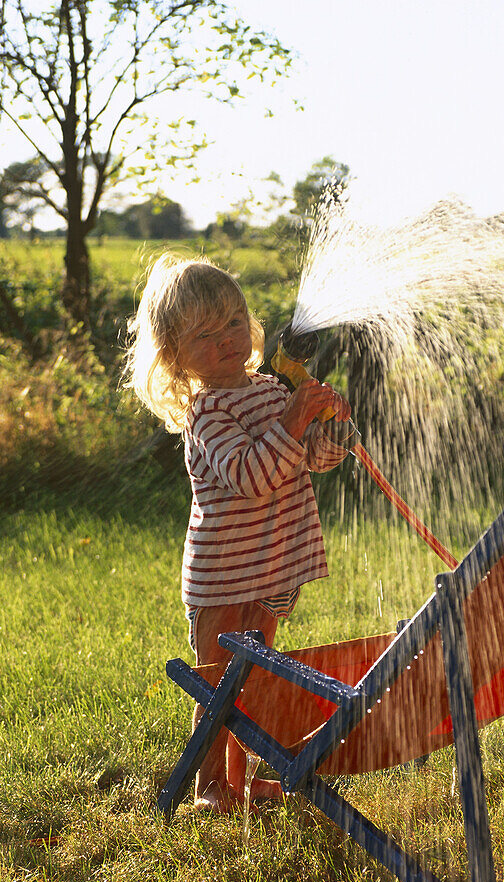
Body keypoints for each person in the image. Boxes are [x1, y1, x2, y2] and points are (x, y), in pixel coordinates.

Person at [123, 254, 351, 813]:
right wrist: (295, 420)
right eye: (204, 334)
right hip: (222, 579)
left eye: (232, 322)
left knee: (258, 683)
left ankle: (251, 781)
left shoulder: (273, 392)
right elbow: (252, 475)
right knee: (217, 685)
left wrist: (332, 429)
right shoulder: (207, 413)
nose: (225, 339)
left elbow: (307, 461)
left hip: (272, 567)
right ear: (176, 357)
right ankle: (210, 787)